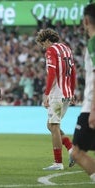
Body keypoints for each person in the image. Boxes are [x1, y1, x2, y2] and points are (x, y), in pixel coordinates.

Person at [35, 28, 76, 170]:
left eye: (42, 44)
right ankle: (71, 150)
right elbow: (73, 72)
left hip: (57, 93)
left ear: (47, 40)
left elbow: (52, 73)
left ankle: (58, 163)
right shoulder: (67, 49)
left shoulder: (51, 50)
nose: (43, 47)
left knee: (54, 126)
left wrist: (46, 94)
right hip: (67, 92)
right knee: (51, 126)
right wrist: (73, 91)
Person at [71, 3, 95, 182]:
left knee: (77, 152)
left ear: (86, 20)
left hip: (90, 107)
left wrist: (93, 108)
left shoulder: (93, 42)